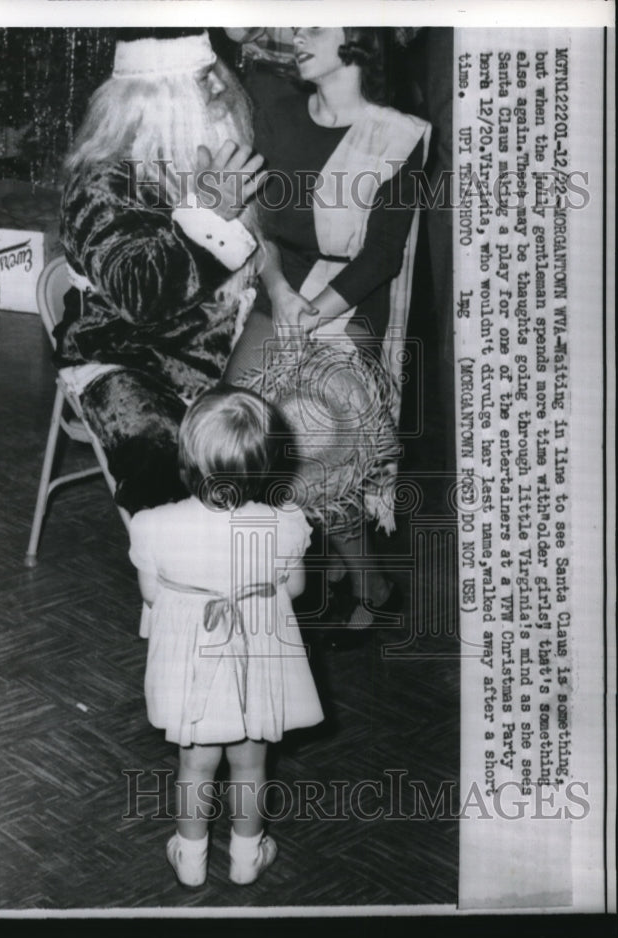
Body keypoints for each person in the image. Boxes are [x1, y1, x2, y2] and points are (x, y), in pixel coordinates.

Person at [225, 26, 431, 641]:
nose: (296, 34)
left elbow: (381, 257)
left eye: (315, 24)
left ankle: (370, 583)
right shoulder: (273, 104)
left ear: (359, 39)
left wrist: (310, 312)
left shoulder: (400, 133)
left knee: (317, 435)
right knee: (241, 428)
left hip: (349, 298)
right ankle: (279, 576)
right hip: (277, 279)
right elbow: (252, 215)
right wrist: (282, 293)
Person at [53, 28, 267, 514]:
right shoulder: (102, 180)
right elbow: (138, 297)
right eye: (202, 82)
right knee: (156, 449)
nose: (221, 91)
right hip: (128, 356)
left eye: (217, 77)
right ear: (154, 101)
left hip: (217, 348)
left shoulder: (199, 160)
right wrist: (211, 213)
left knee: (295, 424)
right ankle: (177, 575)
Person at [128, 386, 324, 886]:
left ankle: (190, 862)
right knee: (251, 763)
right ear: (263, 466)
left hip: (193, 666)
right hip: (257, 661)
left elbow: (152, 594)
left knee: (194, 764)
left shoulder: (153, 525)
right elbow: (296, 587)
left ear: (186, 460)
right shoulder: (285, 524)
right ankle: (245, 856)